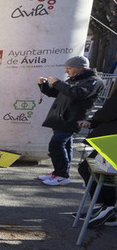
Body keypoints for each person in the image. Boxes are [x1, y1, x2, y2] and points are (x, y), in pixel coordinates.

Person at [37, 56, 102, 186]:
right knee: (65, 145)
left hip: (72, 119)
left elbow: (78, 94)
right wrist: (43, 85)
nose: (66, 71)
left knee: (56, 145)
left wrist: (58, 83)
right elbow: (55, 93)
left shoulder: (94, 81)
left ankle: (62, 175)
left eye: (69, 68)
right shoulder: (73, 80)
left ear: (80, 68)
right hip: (59, 117)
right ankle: (59, 172)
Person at [77, 84, 117, 226]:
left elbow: (109, 111)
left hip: (112, 139)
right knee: (96, 170)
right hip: (110, 137)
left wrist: (95, 120)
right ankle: (102, 207)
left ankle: (107, 208)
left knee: (94, 169)